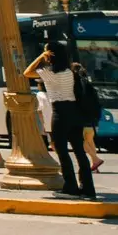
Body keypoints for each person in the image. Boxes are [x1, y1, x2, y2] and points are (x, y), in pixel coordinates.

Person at [25, 42, 93, 198]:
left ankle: (71, 187)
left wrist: (40, 57)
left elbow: (27, 72)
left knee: (61, 150)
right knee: (79, 151)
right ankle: (88, 188)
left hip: (60, 112)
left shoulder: (48, 72)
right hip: (75, 112)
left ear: (50, 55)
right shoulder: (71, 71)